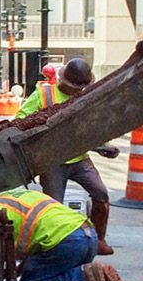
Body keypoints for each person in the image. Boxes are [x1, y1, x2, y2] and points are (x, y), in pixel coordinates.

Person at [16, 59, 119, 255]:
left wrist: (104, 147)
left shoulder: (86, 97)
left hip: (78, 159)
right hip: (52, 161)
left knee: (101, 194)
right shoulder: (45, 94)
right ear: (63, 80)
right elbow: (21, 120)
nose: (77, 91)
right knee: (52, 206)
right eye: (75, 87)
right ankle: (51, 246)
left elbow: (91, 129)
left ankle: (99, 240)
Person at [0, 188, 130, 281]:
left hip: (66, 242)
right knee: (55, 277)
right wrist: (18, 271)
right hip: (87, 236)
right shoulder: (16, 195)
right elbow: (37, 252)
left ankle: (83, 278)